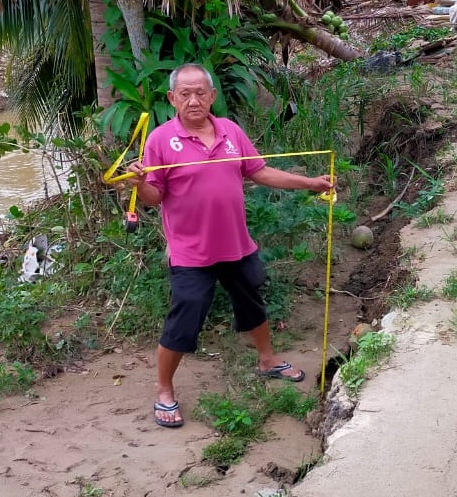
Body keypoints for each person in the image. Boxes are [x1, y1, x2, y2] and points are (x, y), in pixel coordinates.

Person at [126, 63, 333, 428]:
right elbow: (153, 197)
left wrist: (309, 183)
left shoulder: (231, 132)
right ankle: (163, 390)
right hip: (191, 252)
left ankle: (267, 361)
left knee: (252, 300)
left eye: (200, 92)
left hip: (237, 244)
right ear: (172, 99)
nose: (193, 100)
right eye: (185, 94)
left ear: (212, 96)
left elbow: (259, 171)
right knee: (185, 316)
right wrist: (138, 182)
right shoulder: (160, 139)